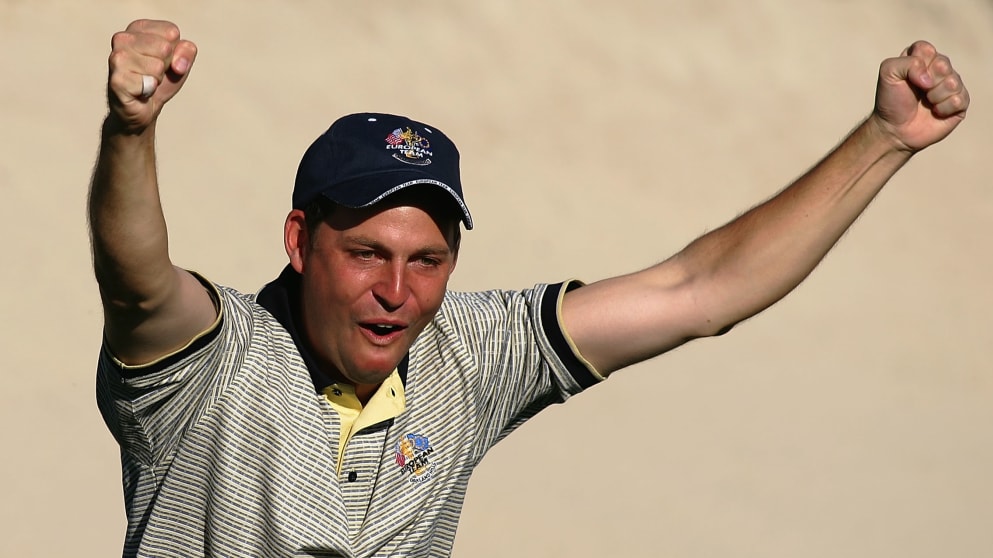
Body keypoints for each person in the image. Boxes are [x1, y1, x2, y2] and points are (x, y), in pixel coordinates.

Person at [89, 18, 969, 558]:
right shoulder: (209, 363)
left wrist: (884, 140)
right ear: (298, 243)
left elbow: (703, 289)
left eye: (427, 260)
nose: (397, 290)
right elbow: (135, 283)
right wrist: (132, 130)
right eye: (365, 253)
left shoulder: (470, 356)